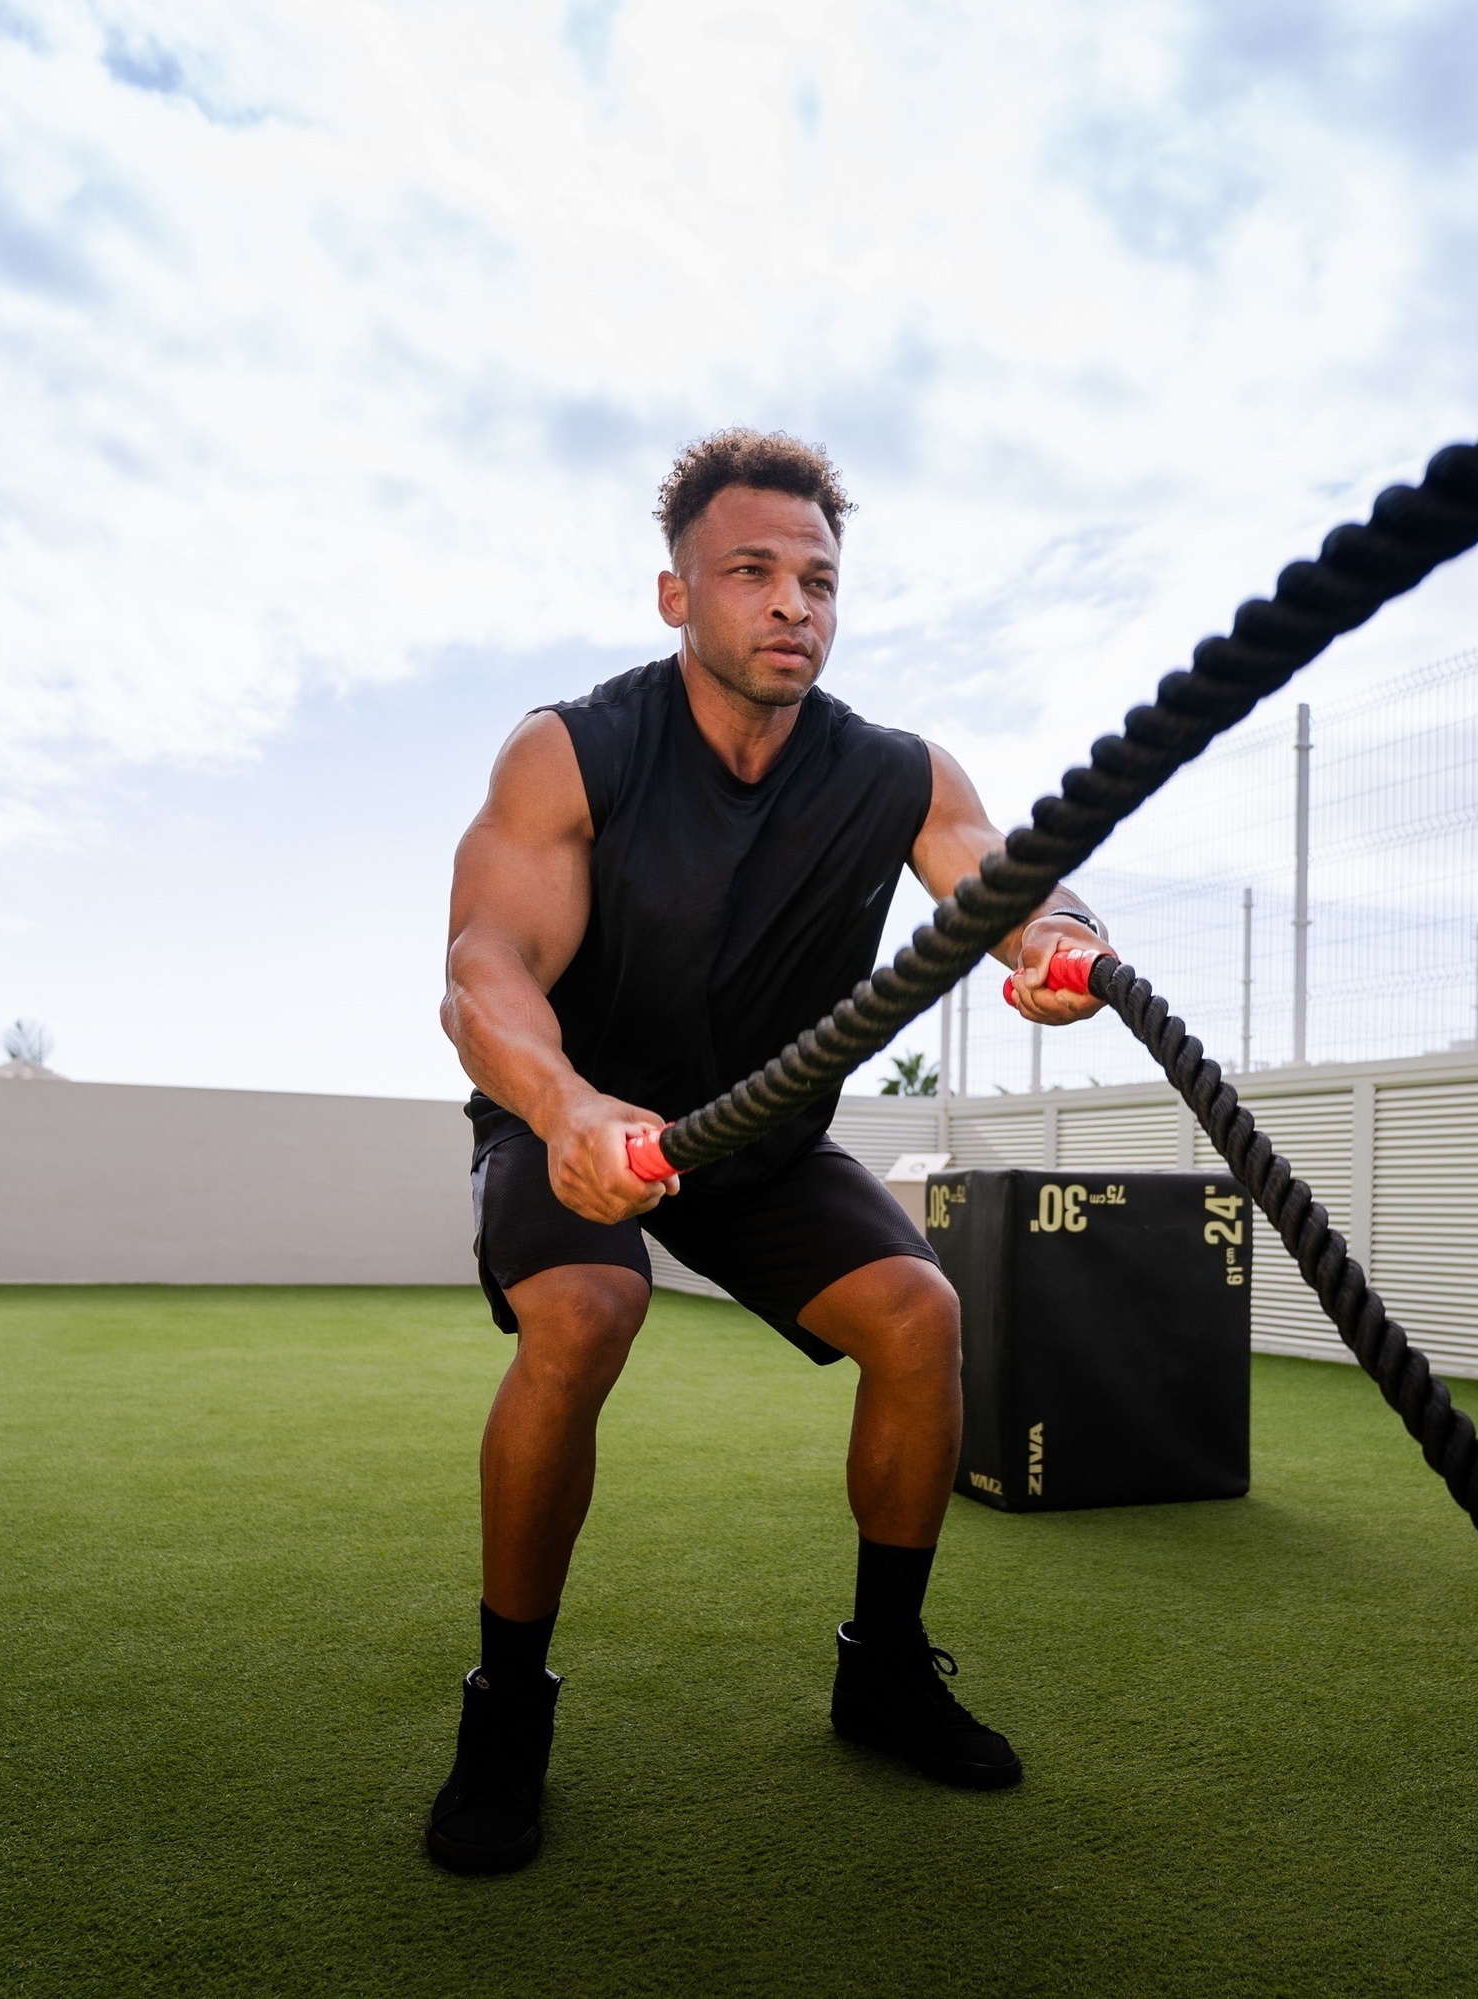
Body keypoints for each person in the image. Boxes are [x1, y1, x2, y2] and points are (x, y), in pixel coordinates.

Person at [426, 429, 1109, 1875]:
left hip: (761, 1133)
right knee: (588, 1308)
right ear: (678, 599)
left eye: (816, 577)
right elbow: (485, 968)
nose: (792, 602)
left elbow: (1006, 874)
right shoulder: (576, 750)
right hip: (583, 1118)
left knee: (921, 1317)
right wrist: (563, 1111)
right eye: (752, 572)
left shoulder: (894, 773)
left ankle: (885, 1667)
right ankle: (506, 1709)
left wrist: (1063, 945)